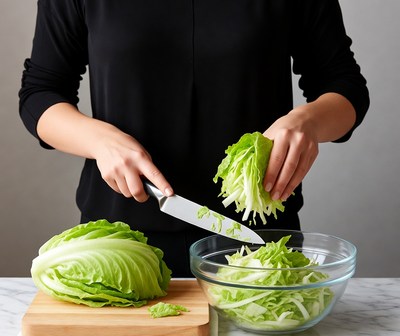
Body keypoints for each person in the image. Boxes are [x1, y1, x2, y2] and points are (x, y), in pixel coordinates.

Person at [19, 0, 369, 277]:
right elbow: (40, 92)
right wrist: (98, 140)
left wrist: (306, 122)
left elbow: (345, 86)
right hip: (120, 244)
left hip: (261, 246)